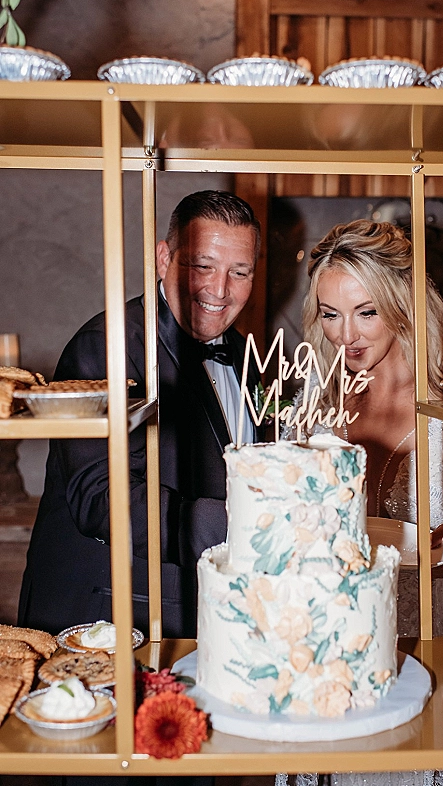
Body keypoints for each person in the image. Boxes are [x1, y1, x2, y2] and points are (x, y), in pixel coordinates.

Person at [282, 218, 443, 786]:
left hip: (435, 657)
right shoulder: (315, 405)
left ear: (402, 305)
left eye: (366, 312)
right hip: (339, 661)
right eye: (330, 314)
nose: (345, 334)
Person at [19, 190, 264, 641]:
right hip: (111, 616)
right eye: (202, 266)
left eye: (240, 272)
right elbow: (100, 499)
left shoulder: (243, 353)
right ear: (163, 258)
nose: (219, 289)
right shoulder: (106, 346)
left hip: (204, 611)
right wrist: (250, 522)